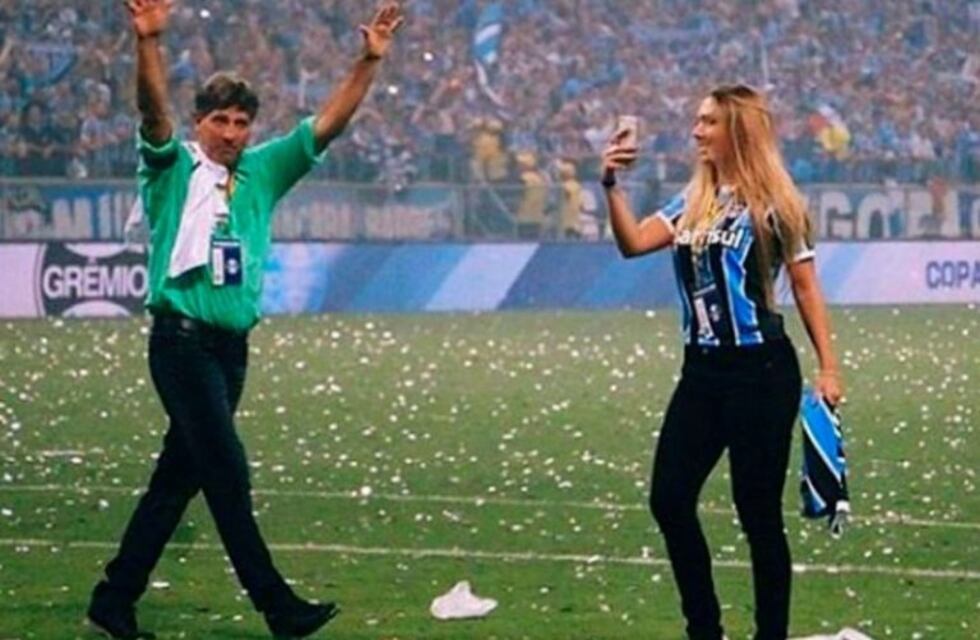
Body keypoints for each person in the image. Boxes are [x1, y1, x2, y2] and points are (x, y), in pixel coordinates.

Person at [86, 1, 403, 639]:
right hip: (180, 346)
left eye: (240, 122)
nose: (231, 133)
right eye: (219, 121)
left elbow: (328, 125)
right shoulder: (173, 168)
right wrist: (149, 42)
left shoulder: (260, 171)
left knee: (176, 483)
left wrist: (368, 60)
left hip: (231, 352)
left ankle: (113, 599)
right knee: (226, 470)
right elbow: (151, 111)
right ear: (199, 123)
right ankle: (277, 605)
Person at [600, 84, 843, 640]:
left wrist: (829, 367)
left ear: (737, 129)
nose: (696, 131)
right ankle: (704, 629)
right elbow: (634, 242)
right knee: (669, 499)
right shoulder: (692, 200)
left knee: (757, 515)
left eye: (707, 121)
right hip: (702, 374)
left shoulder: (776, 204)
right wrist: (611, 184)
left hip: (762, 372)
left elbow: (805, 287)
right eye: (697, 120)